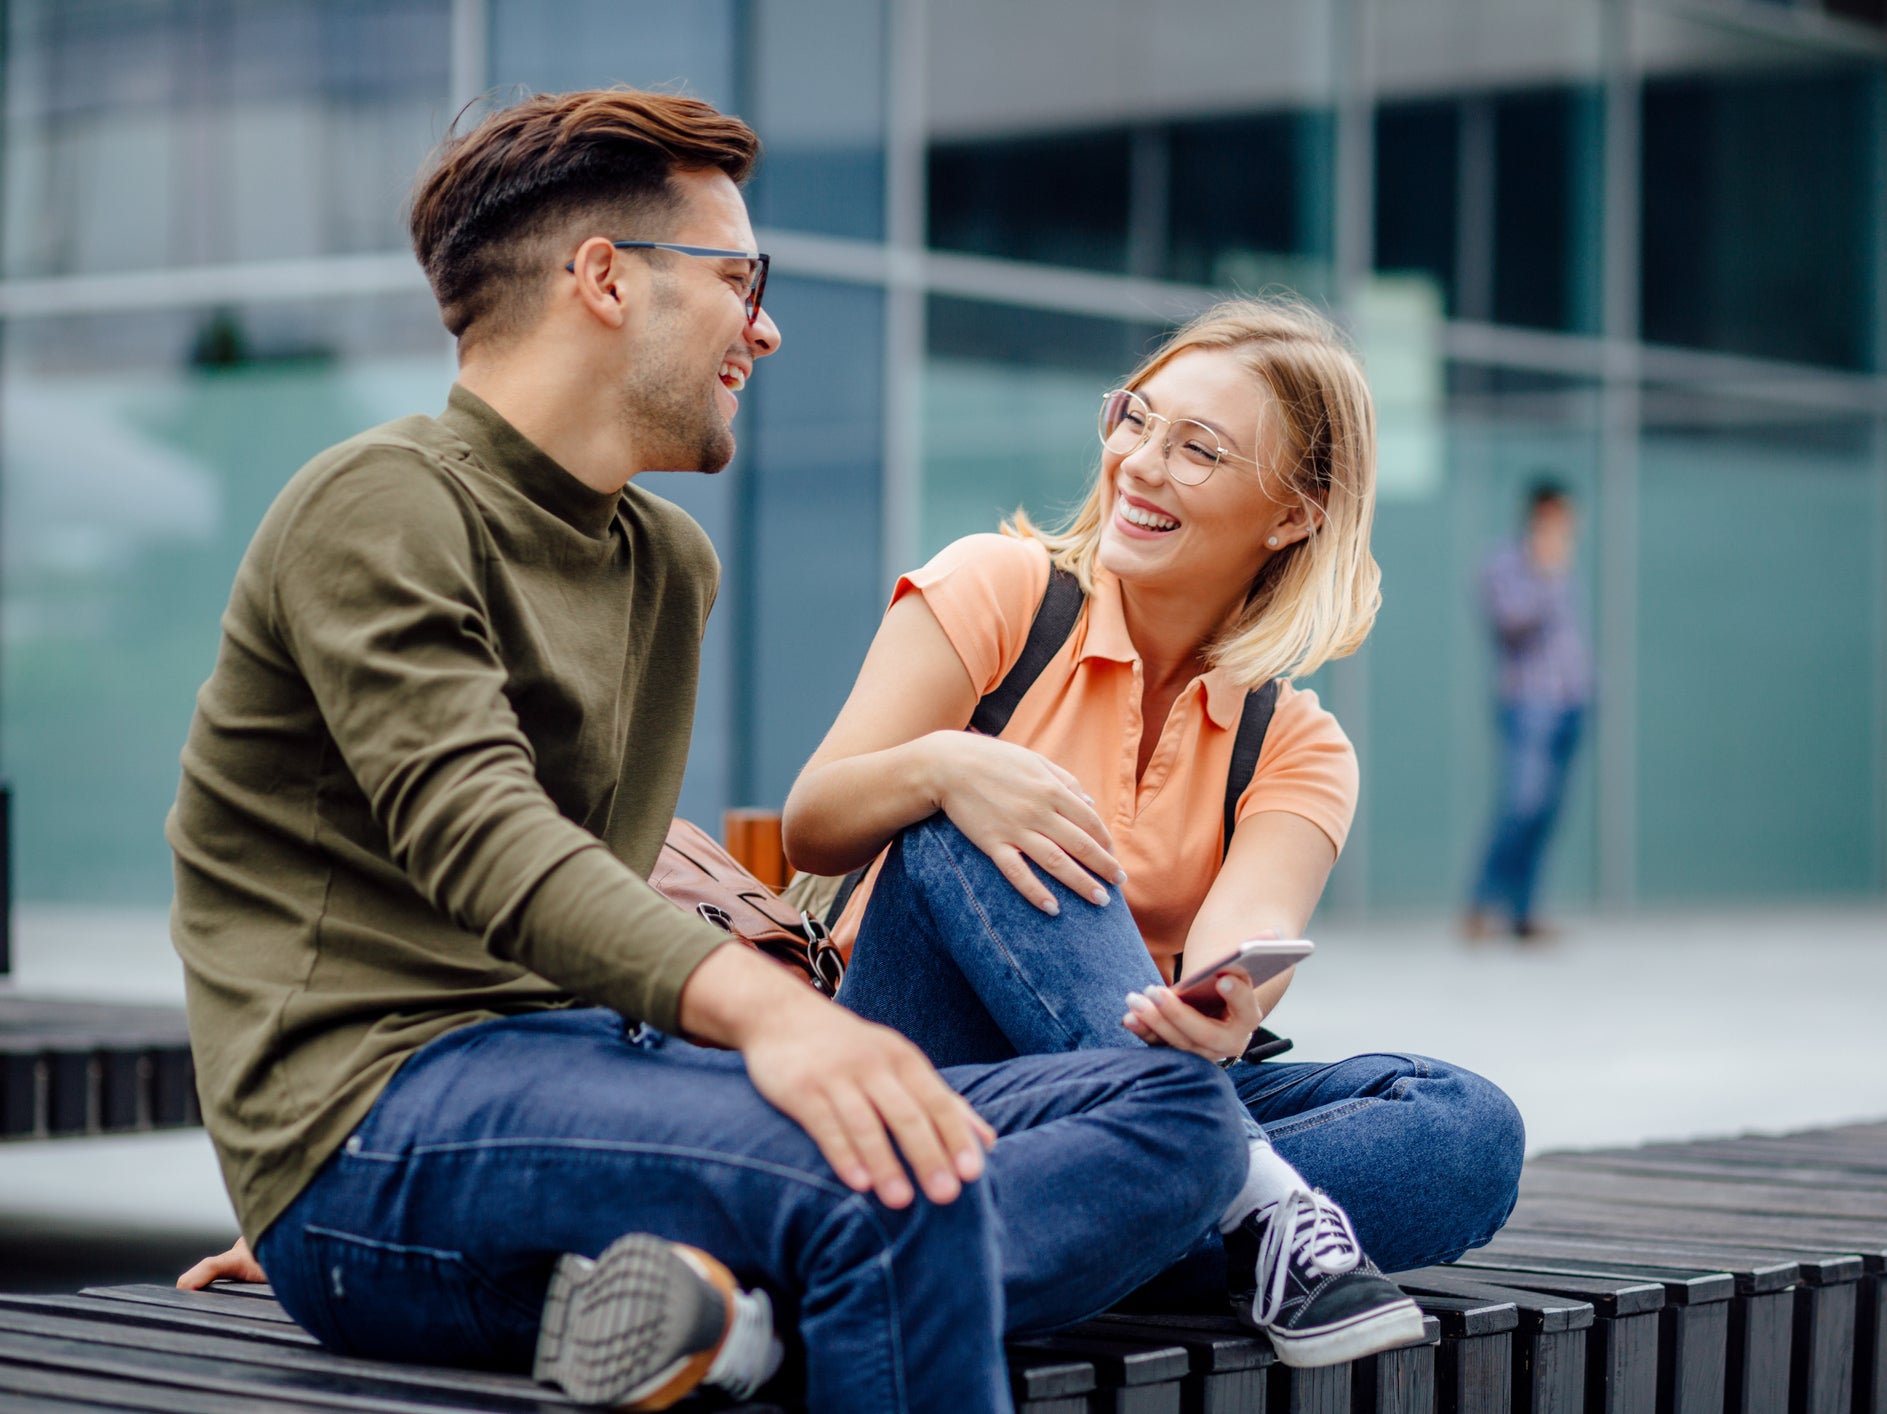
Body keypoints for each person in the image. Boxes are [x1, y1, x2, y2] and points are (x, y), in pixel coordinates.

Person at [165, 88, 1254, 1414]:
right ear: (605, 279)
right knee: (887, 1174)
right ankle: (742, 1279)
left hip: (579, 1092)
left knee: (1180, 1114)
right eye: (741, 279)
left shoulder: (658, 560)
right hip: (374, 1124)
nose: (767, 326)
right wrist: (773, 1019)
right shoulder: (382, 502)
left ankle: (720, 1315)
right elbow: (485, 841)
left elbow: (594, 896)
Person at [782, 299, 1527, 1367]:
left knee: (1468, 1126)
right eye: (1136, 417)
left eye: (1198, 449)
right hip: (920, 1065)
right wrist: (949, 765)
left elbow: (1250, 937)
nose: (1139, 462)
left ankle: (1063, 1221)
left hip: (1126, 1085)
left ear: (1293, 515)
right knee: (983, 813)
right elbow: (813, 825)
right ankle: (1254, 1202)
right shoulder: (998, 589)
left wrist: (1225, 1006)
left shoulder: (1299, 744)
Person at [1465, 479, 1591, 941]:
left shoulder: (1563, 568)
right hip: (1528, 704)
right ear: (1541, 515)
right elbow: (1511, 626)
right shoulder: (1506, 564)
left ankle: (1523, 912)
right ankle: (1480, 903)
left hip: (1571, 703)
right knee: (1522, 804)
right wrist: (1544, 574)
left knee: (1546, 814)